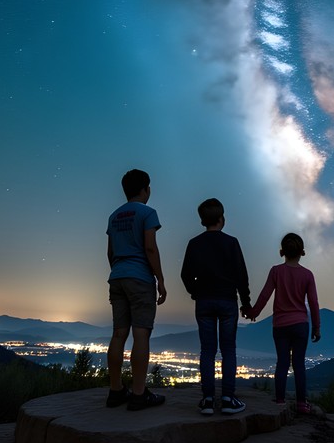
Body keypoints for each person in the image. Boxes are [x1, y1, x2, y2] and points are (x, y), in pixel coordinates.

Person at [180, 198, 253, 415]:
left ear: (202, 220)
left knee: (207, 350)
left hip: (204, 301)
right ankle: (228, 399)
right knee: (228, 350)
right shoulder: (231, 243)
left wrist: (195, 292)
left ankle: (208, 400)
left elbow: (185, 275)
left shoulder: (194, 243)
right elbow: (241, 276)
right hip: (227, 301)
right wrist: (246, 303)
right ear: (221, 219)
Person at [104, 169, 168, 411]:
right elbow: (150, 248)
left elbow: (110, 251)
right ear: (145, 189)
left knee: (118, 334)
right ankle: (139, 394)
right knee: (141, 334)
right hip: (139, 277)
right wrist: (160, 279)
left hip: (117, 276)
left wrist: (118, 270)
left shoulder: (113, 216)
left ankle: (116, 391)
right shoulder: (147, 213)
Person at [245, 232, 321, 414]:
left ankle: (279, 401)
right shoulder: (307, 275)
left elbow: (265, 295)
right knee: (299, 364)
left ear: (282, 252)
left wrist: (254, 312)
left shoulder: (276, 271)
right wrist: (317, 327)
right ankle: (301, 404)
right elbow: (313, 303)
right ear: (302, 252)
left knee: (282, 363)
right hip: (301, 325)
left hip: (280, 325)